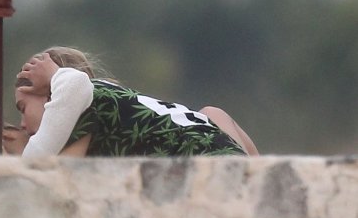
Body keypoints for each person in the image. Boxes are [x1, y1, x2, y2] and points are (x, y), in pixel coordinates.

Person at [15, 46, 259, 157]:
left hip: (212, 175)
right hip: (229, 162)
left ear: (50, 94)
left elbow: (45, 180)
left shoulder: (81, 102)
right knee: (212, 113)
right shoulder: (105, 99)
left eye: (23, 109)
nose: (22, 124)